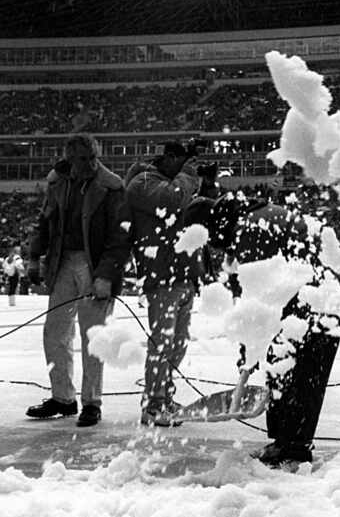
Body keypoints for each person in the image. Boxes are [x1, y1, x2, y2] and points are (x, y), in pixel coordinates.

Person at [183, 192, 340, 466]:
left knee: (301, 374)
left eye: (209, 238)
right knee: (281, 367)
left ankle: (294, 449)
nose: (214, 246)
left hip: (315, 303)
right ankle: (284, 442)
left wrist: (250, 349)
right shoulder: (252, 216)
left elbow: (258, 297)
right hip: (308, 298)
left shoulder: (251, 228)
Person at [25, 134, 130, 427]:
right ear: (70, 159)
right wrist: (35, 256)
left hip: (93, 263)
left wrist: (106, 276)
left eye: (93, 156)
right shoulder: (57, 182)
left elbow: (120, 237)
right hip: (63, 261)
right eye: (83, 159)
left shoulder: (111, 186)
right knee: (54, 331)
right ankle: (63, 397)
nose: (90, 163)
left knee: (93, 337)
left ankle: (91, 402)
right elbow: (45, 221)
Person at [123, 140, 207, 427]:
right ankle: (153, 403)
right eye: (182, 161)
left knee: (178, 344)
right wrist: (187, 176)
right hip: (162, 275)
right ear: (169, 157)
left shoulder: (174, 183)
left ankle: (164, 396)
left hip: (183, 273)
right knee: (162, 343)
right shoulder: (143, 182)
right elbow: (171, 202)